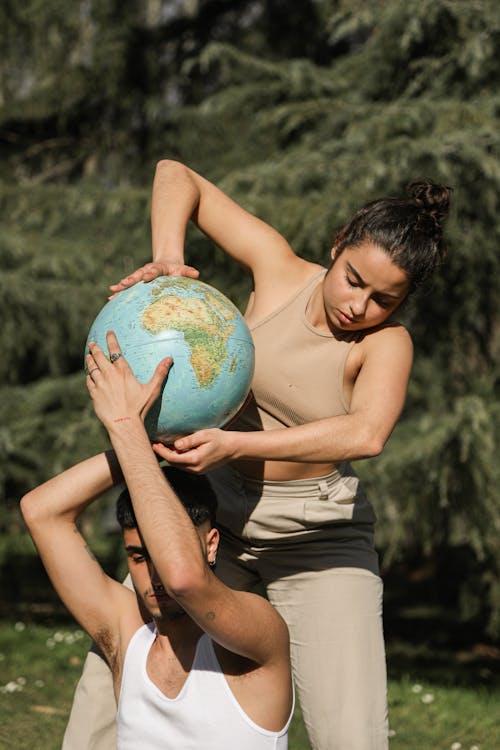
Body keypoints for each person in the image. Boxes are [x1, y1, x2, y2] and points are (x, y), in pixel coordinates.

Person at [65, 160, 451, 750]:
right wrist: (169, 257)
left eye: (384, 298)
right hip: (214, 518)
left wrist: (236, 444)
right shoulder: (279, 269)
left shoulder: (387, 344)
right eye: (353, 279)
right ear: (337, 244)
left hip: (316, 536)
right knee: (113, 670)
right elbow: (176, 175)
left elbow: (366, 434)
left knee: (351, 733)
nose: (360, 305)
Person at [21, 331, 293, 750]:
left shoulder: (258, 636)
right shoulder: (126, 636)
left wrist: (127, 427)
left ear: (212, 543)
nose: (155, 574)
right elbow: (42, 512)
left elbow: (184, 577)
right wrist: (145, 444)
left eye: (162, 553)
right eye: (138, 556)